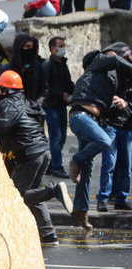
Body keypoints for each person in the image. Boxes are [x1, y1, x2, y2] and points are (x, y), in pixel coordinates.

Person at [0, 70, 73, 245]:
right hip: (43, 151)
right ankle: (49, 235)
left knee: (15, 196)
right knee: (33, 195)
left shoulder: (8, 105)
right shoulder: (28, 103)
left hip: (29, 155)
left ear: (4, 91)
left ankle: (53, 190)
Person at [67, 45, 132, 230]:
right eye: (111, 55)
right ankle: (76, 159)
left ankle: (80, 210)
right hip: (80, 117)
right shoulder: (97, 62)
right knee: (104, 140)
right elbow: (117, 61)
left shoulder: (105, 80)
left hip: (91, 120)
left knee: (87, 170)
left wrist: (124, 103)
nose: (114, 58)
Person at [42, 36, 74, 178]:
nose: (62, 48)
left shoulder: (63, 64)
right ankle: (56, 166)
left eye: (63, 45)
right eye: (59, 45)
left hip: (61, 105)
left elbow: (68, 83)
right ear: (52, 48)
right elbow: (45, 88)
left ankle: (52, 164)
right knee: (56, 136)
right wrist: (61, 95)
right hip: (51, 105)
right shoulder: (48, 65)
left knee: (62, 137)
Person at [4, 34, 48, 106]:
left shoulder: (36, 66)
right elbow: (2, 92)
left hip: (33, 111)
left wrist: (36, 104)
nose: (30, 50)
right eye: (27, 47)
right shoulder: (8, 69)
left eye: (32, 47)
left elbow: (44, 89)